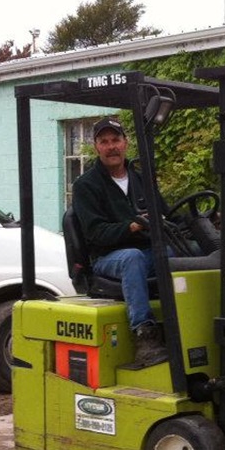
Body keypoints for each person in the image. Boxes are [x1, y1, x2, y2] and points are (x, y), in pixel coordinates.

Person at [72, 117, 168, 366]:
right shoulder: (86, 185)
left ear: (125, 143)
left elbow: (167, 214)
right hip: (108, 258)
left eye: (115, 140)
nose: (111, 146)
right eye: (104, 142)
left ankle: (187, 324)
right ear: (96, 147)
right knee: (131, 258)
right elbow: (95, 233)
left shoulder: (141, 180)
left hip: (148, 251)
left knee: (193, 252)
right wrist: (132, 226)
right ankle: (144, 336)